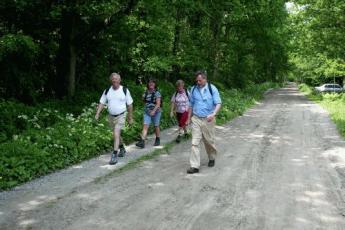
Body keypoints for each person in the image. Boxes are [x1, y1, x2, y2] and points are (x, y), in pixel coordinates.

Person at [187, 71, 222, 174]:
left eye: (200, 80)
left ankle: (211, 157)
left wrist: (214, 113)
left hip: (208, 119)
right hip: (196, 118)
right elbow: (191, 105)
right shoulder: (193, 89)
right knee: (195, 142)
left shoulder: (212, 88)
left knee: (209, 141)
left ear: (205, 79)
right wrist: (188, 118)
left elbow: (218, 103)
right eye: (197, 80)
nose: (198, 82)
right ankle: (194, 166)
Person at [95, 73, 133, 165]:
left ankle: (114, 155)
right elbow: (102, 103)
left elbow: (130, 104)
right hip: (111, 116)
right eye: (113, 79)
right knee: (116, 135)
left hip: (121, 115)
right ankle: (122, 148)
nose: (114, 80)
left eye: (116, 79)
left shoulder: (124, 90)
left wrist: (130, 117)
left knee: (116, 133)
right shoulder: (107, 90)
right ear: (111, 81)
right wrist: (97, 113)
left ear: (119, 80)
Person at [135, 78, 162, 148]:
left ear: (155, 84)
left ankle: (158, 139)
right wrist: (148, 110)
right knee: (145, 125)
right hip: (147, 112)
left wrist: (153, 111)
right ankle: (142, 142)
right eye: (150, 82)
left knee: (156, 125)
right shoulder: (145, 93)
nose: (151, 84)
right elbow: (144, 102)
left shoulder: (157, 93)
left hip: (156, 112)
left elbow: (158, 104)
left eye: (153, 82)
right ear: (148, 84)